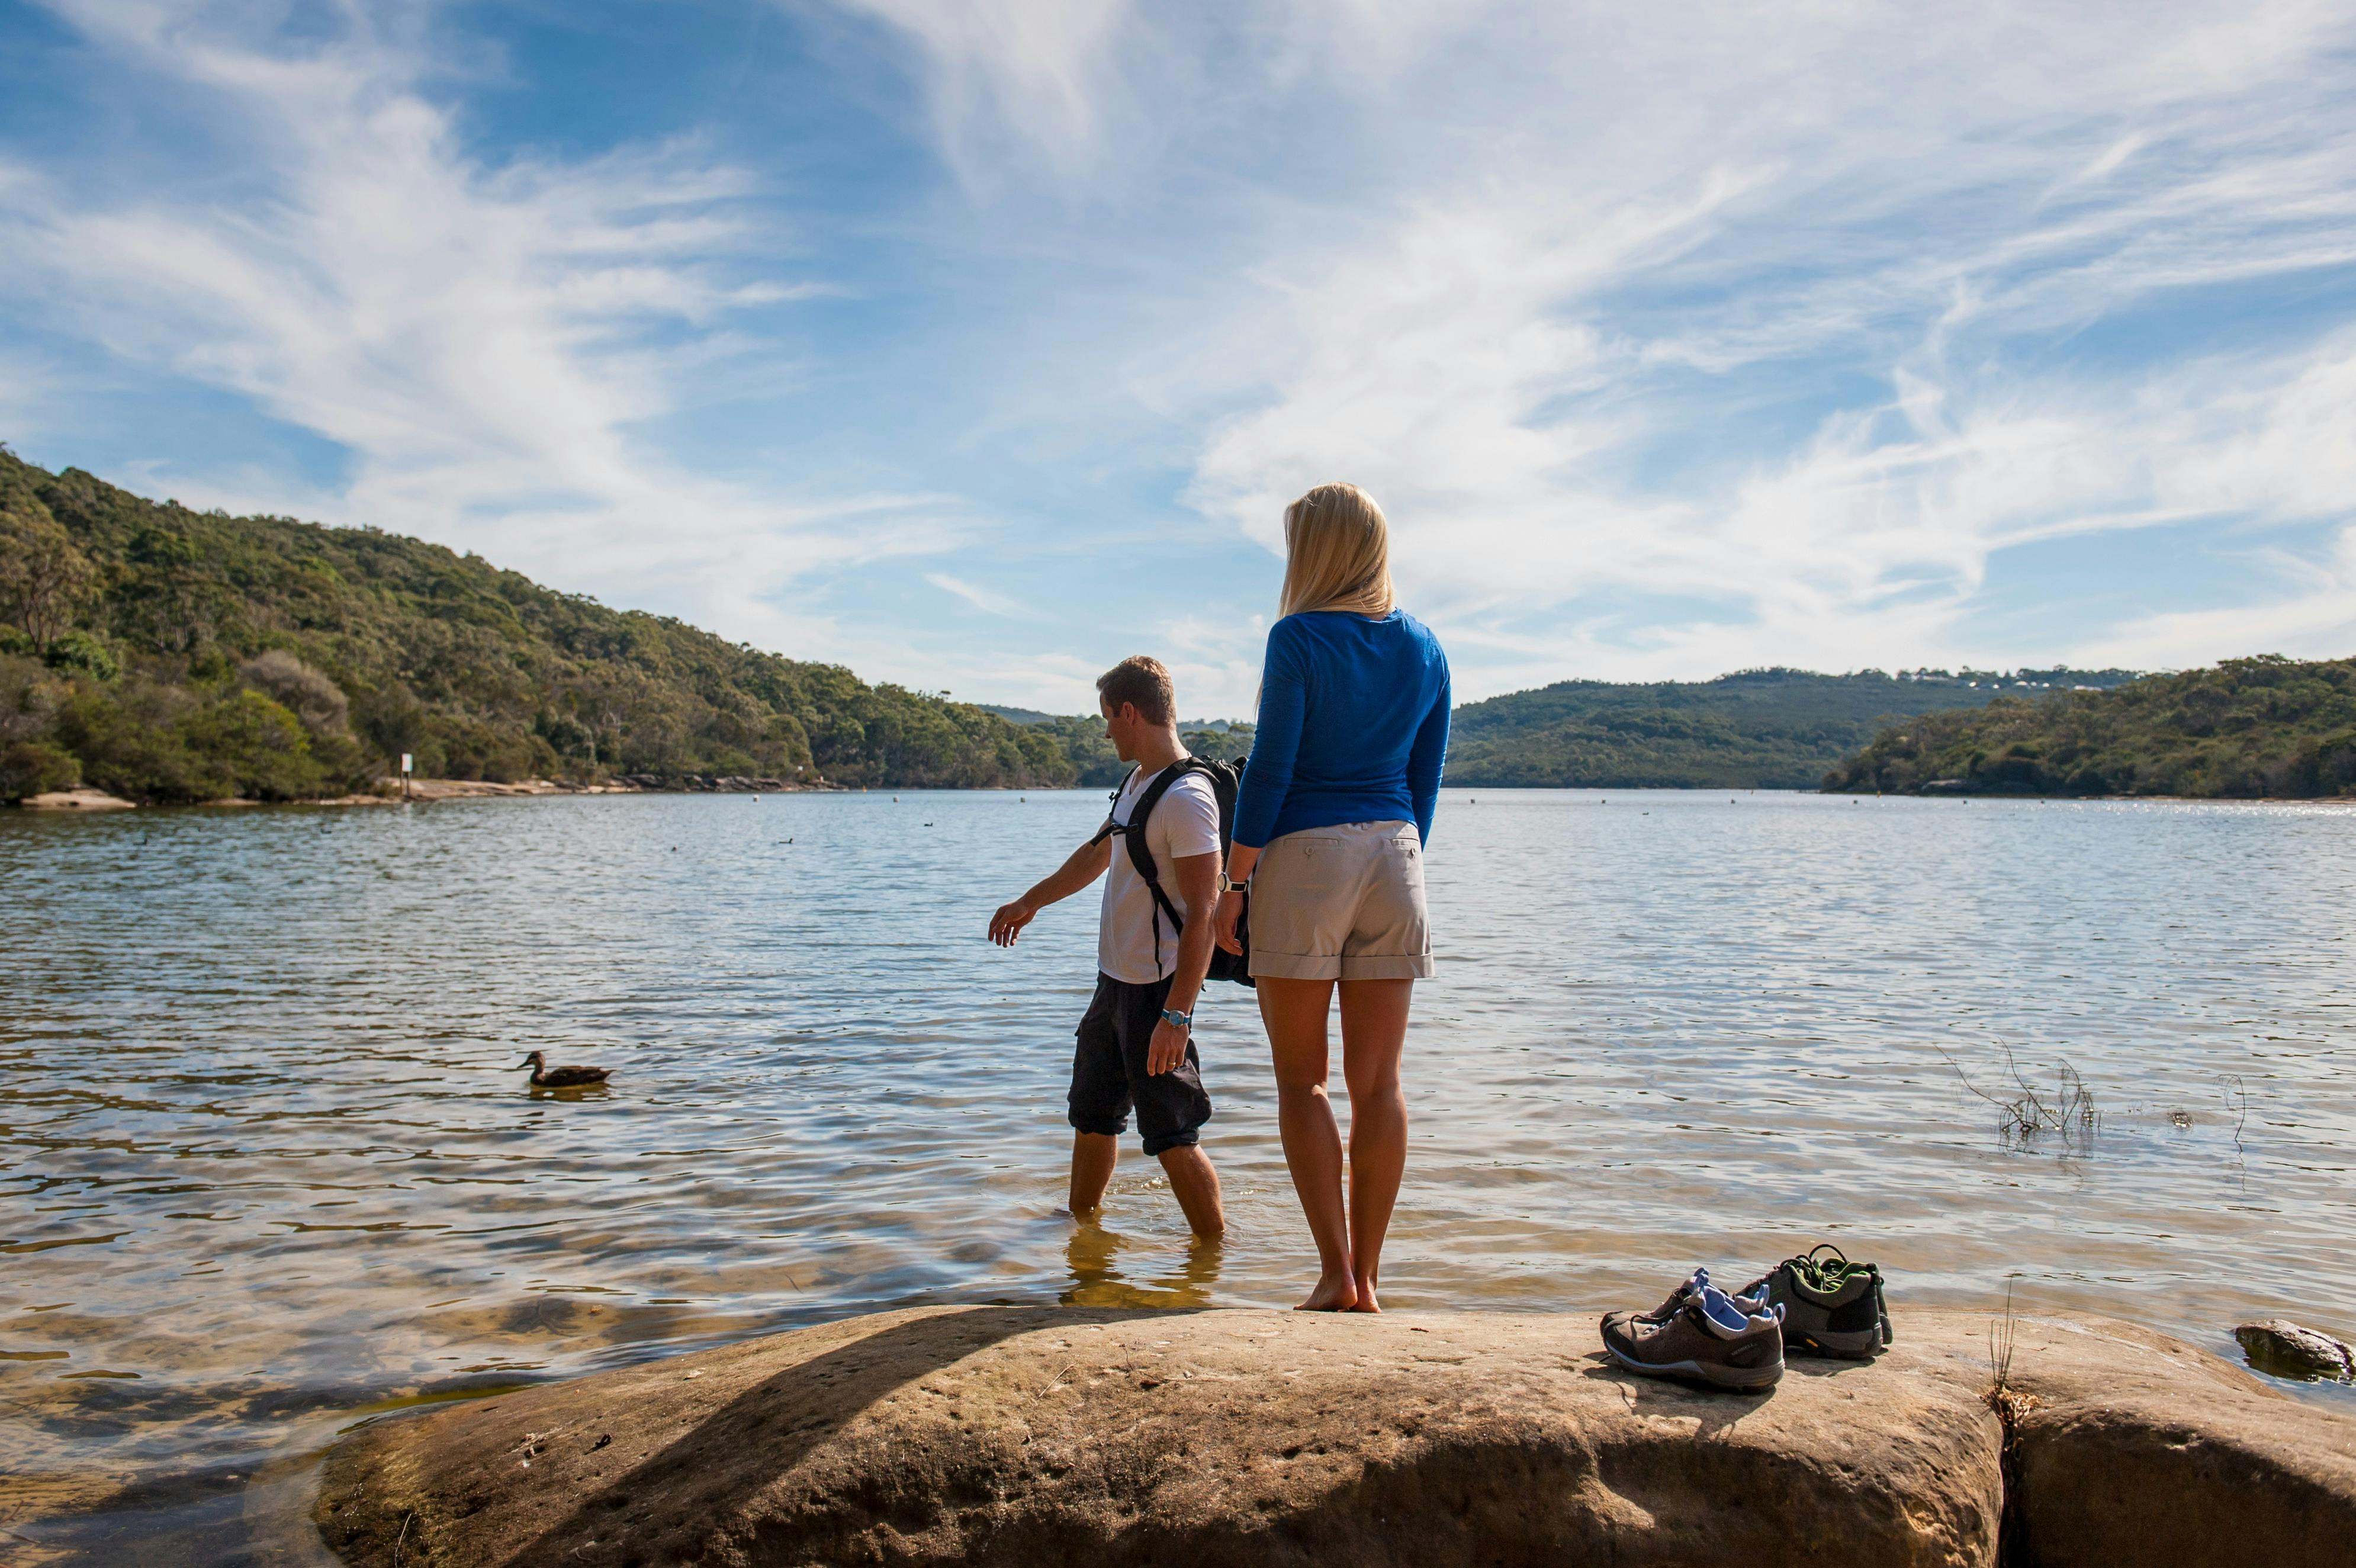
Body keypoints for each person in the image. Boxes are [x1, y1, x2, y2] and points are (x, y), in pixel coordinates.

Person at [1212, 483, 1448, 1311]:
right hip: (1396, 851)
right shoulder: (1425, 646)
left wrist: (1231, 883)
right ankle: (1372, 1282)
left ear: (1313, 552)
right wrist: (1395, 859)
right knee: (1378, 1085)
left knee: (1300, 1081)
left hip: (1305, 857)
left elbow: (1270, 769)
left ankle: (1333, 1274)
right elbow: (1425, 781)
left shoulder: (1297, 637)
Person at [988, 656, 1227, 1238]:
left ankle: (1214, 1254)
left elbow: (1206, 913)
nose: (1105, 731)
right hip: (1112, 983)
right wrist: (1031, 900)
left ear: (1129, 711)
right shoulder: (1136, 782)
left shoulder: (1188, 798)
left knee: (1171, 1135)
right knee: (1092, 1117)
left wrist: (1178, 1013)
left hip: (1157, 994)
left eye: (1108, 718)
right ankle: (1081, 1231)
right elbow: (1097, 853)